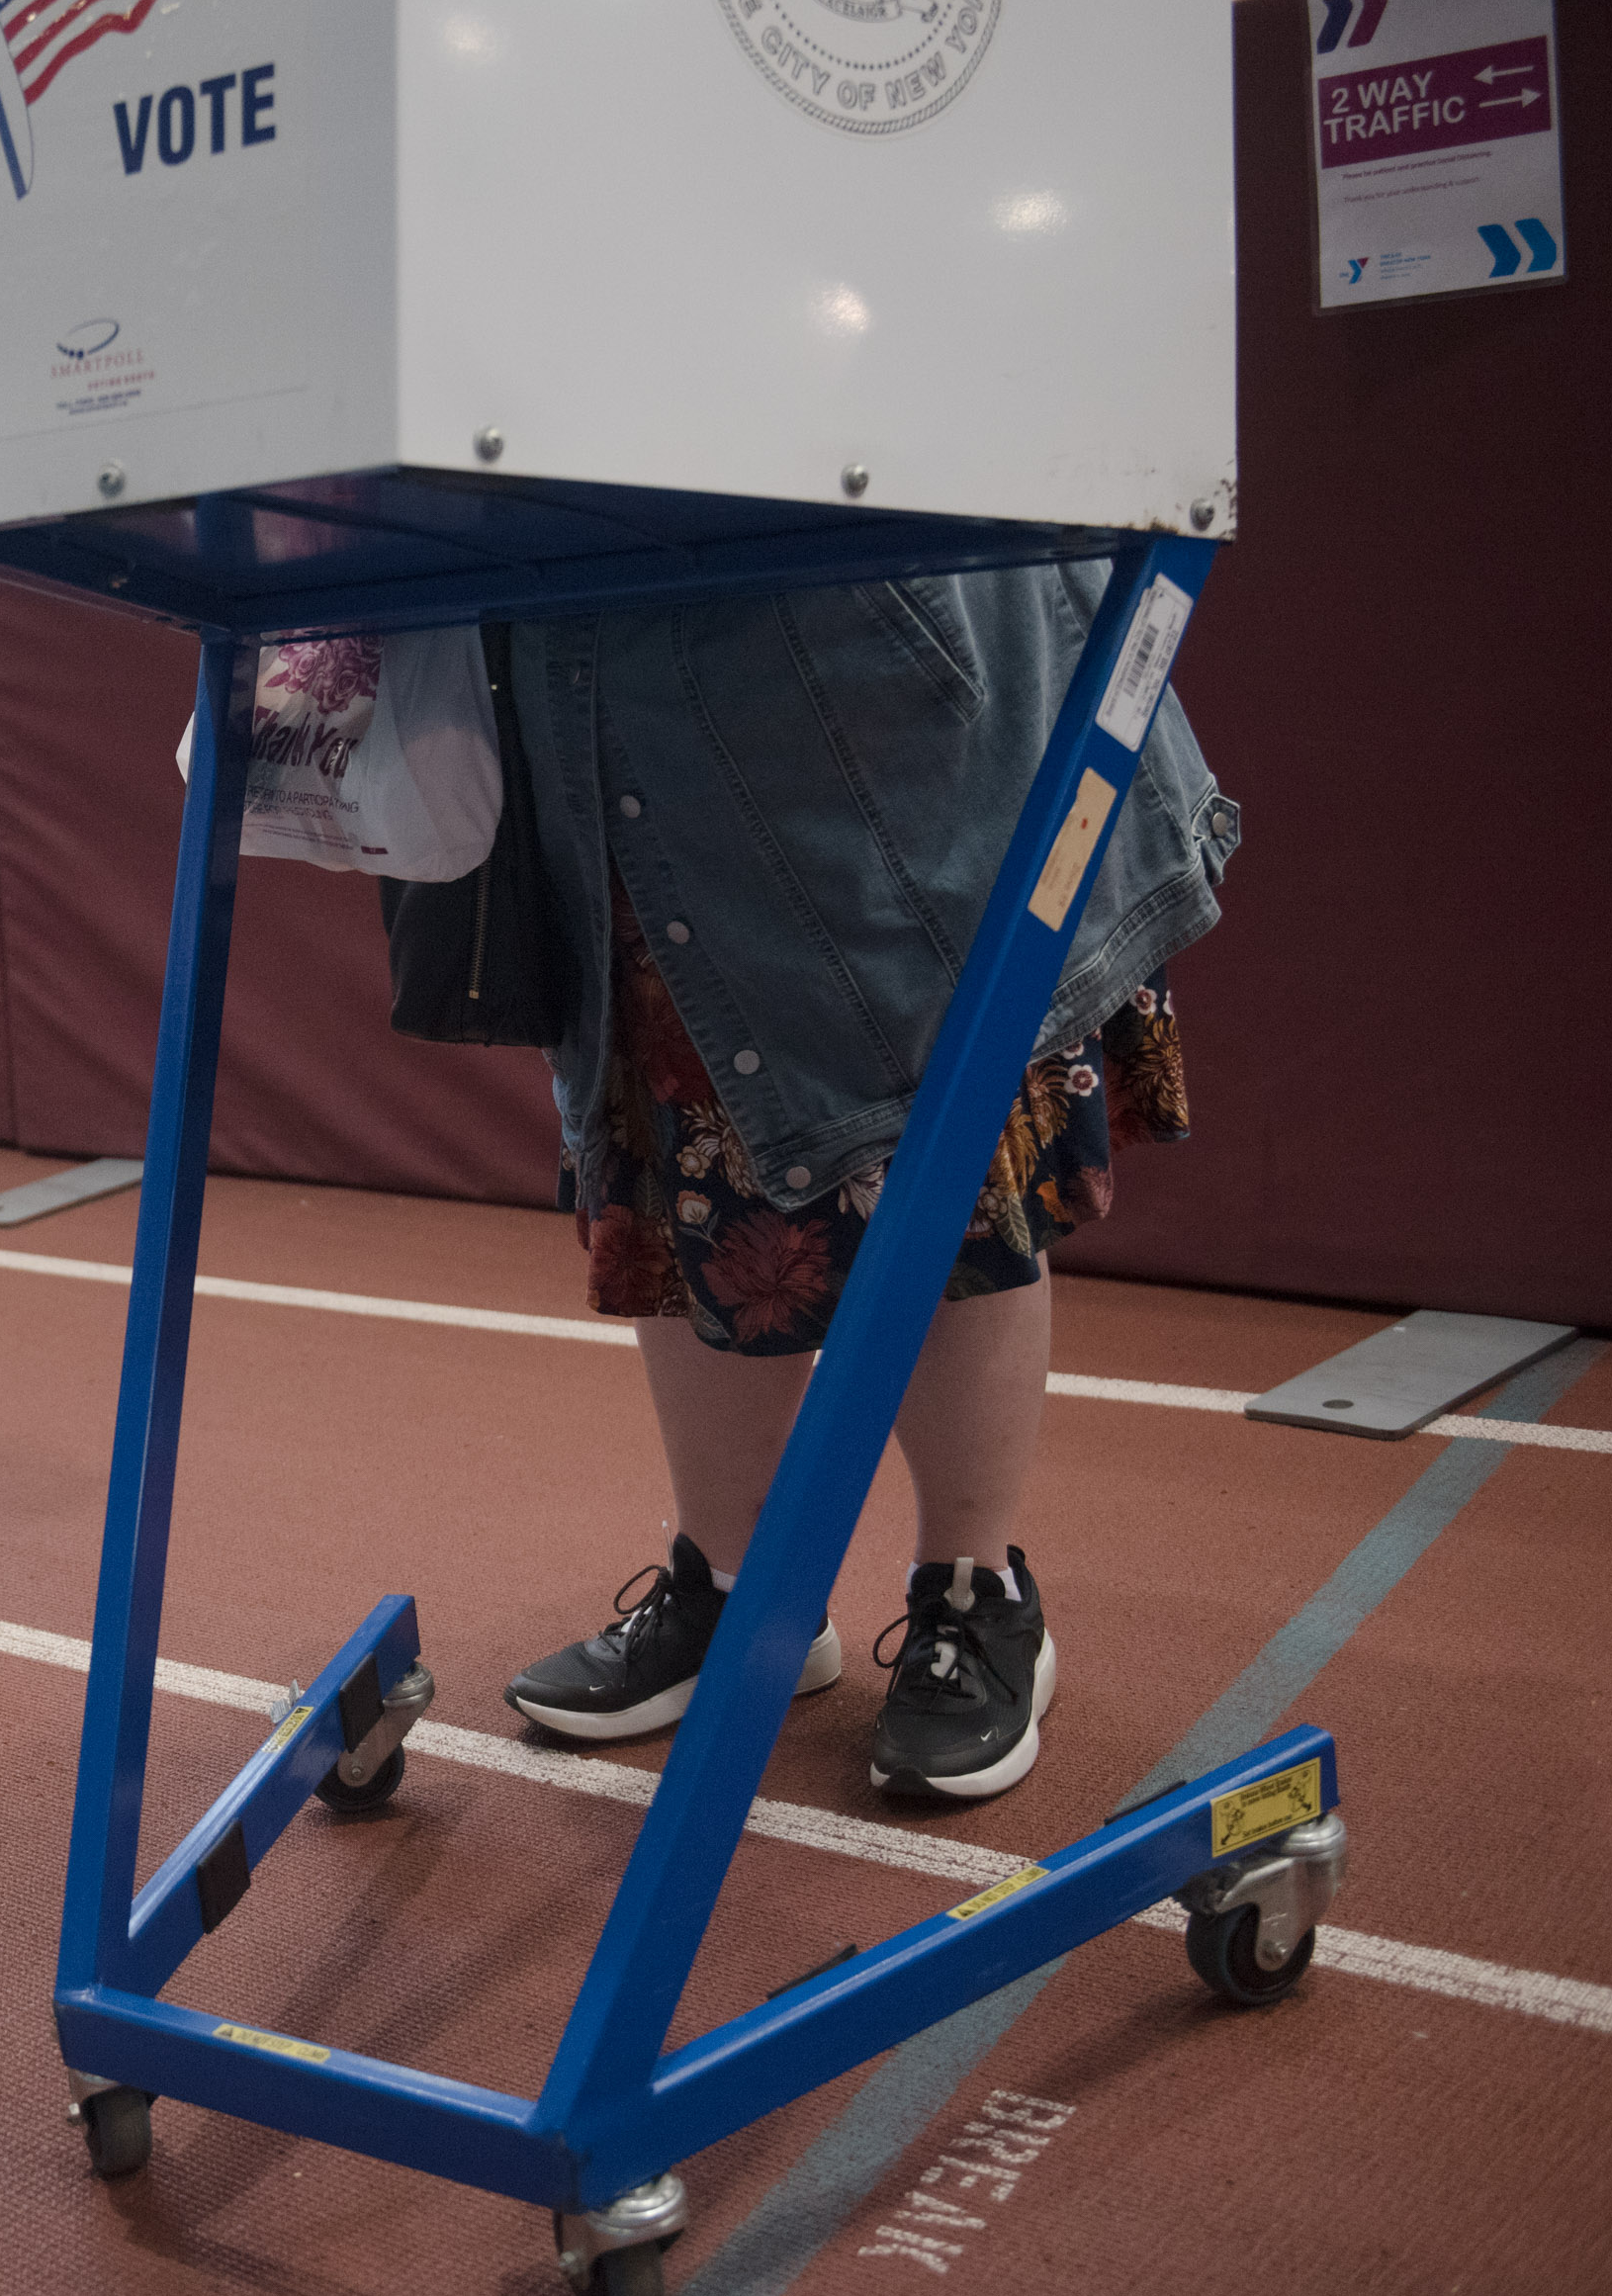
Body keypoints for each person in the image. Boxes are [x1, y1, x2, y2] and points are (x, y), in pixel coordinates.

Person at [402, 569, 1229, 1802]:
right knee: (682, 1174)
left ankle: (977, 1593)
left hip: (866, 682)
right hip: (606, 690)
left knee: (939, 1164)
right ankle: (741, 1593)